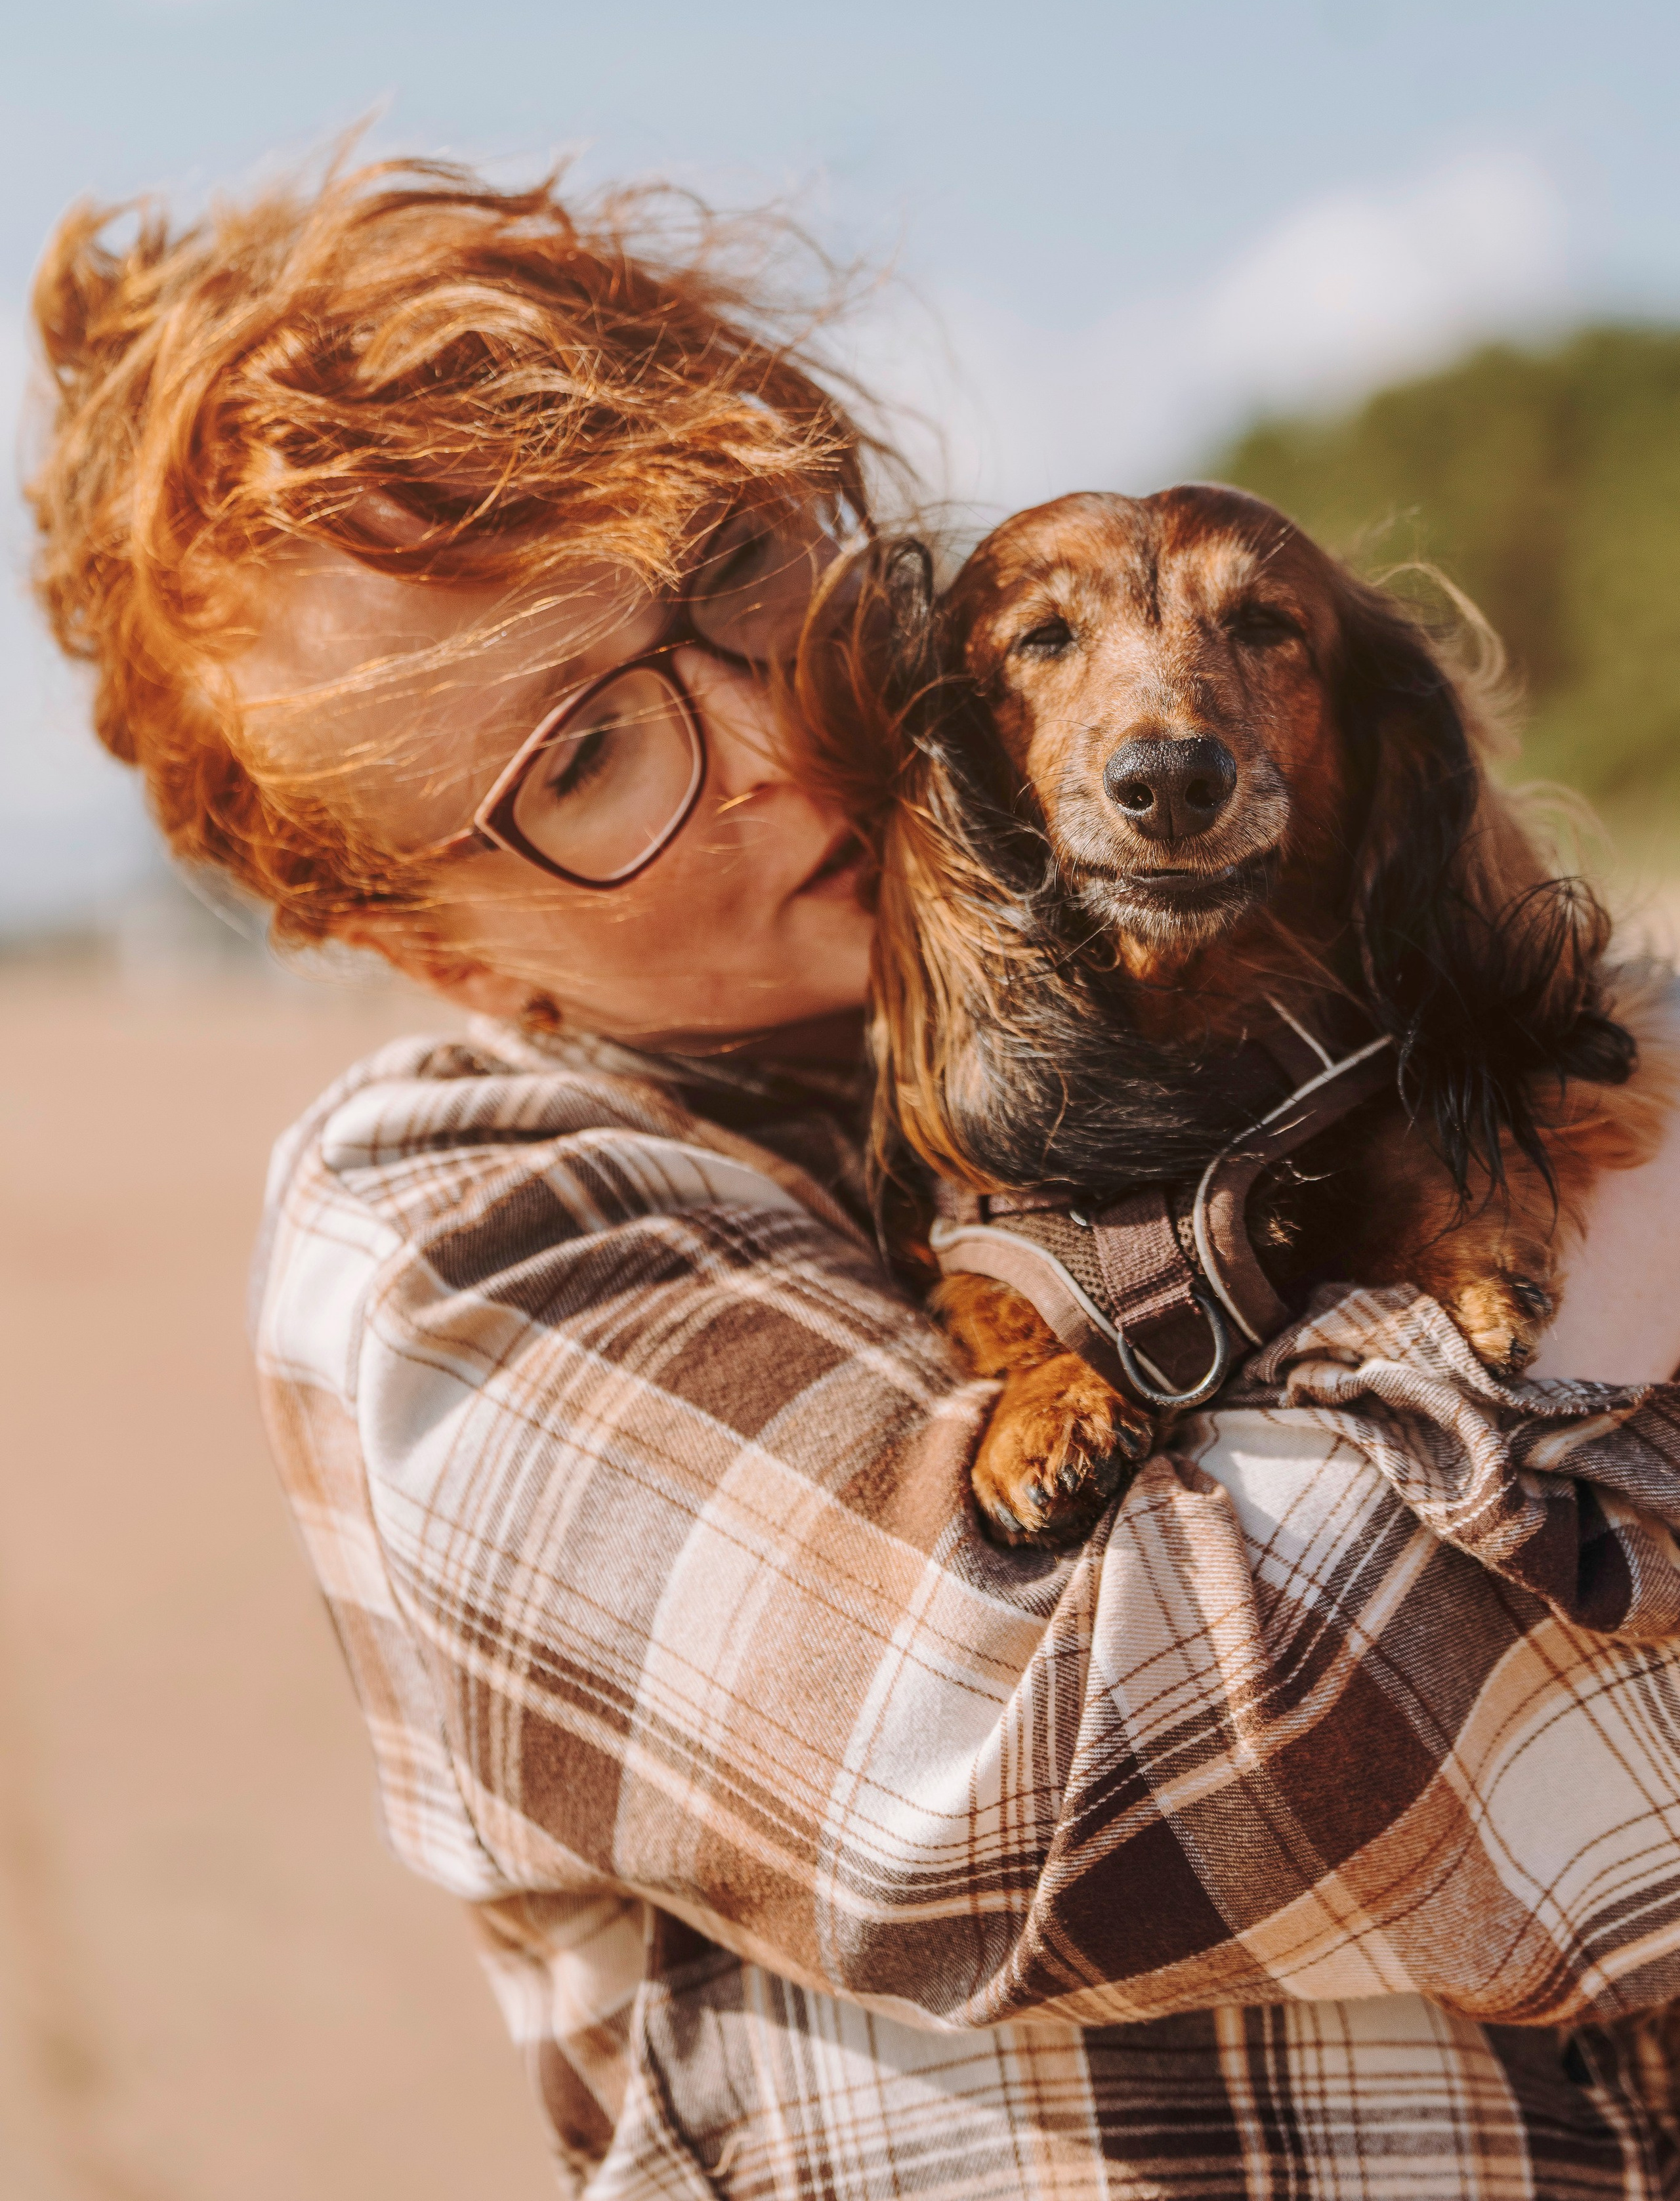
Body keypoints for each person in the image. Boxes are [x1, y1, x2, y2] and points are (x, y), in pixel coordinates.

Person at [26, 150, 1680, 2200]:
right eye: (584, 765)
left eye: (734, 566)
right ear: (432, 947)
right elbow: (1088, 1783)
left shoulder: (1365, 1010)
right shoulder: (460, 1234)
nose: (764, 738)